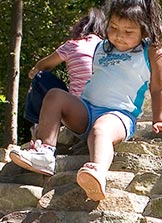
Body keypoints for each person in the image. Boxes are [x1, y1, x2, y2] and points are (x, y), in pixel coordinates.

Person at [9, 0, 162, 201]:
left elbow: (158, 89)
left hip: (118, 116)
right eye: (113, 28)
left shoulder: (153, 51)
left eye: (128, 32)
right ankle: (45, 152)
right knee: (55, 95)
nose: (119, 36)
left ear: (145, 30)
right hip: (86, 111)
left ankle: (97, 171)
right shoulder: (102, 47)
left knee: (101, 130)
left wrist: (159, 120)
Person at [25, 8, 105, 136]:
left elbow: (42, 66)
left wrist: (33, 72)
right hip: (103, 110)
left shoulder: (74, 45)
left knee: (40, 76)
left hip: (76, 111)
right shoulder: (108, 48)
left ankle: (38, 125)